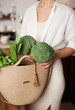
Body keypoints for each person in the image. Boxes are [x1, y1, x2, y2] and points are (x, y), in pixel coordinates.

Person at [20, 0, 75, 110]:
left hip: (53, 73)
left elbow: (73, 45)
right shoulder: (29, 11)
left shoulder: (67, 12)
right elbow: (21, 42)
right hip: (30, 74)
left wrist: (54, 56)